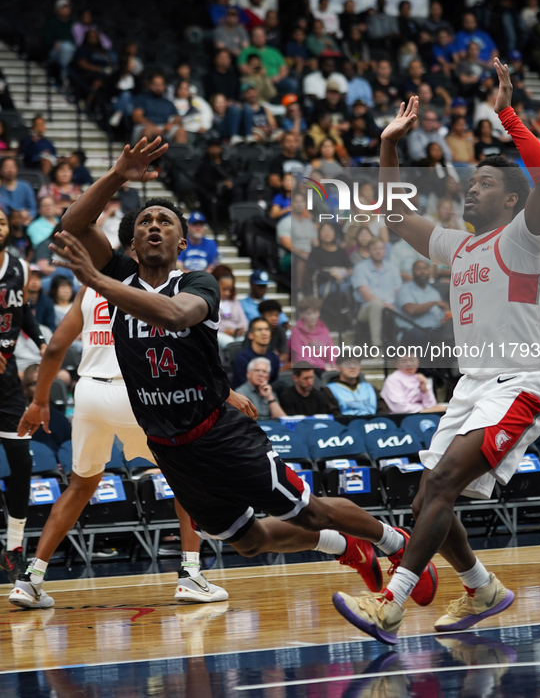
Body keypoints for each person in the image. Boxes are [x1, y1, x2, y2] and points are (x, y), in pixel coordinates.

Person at [36, 140, 437, 621]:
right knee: (249, 541)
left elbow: (173, 316)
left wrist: (101, 284)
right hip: (169, 446)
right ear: (130, 243)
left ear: (183, 242)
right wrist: (119, 174)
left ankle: (398, 544)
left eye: (166, 221)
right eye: (145, 222)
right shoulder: (122, 273)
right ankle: (347, 550)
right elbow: (73, 225)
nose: (154, 226)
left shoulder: (196, 283)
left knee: (308, 510)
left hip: (220, 435)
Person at [333, 59, 540, 644]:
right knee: (427, 496)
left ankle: (391, 603)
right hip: (473, 386)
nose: (471, 188)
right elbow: (392, 214)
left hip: (520, 382)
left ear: (512, 200)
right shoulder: (459, 246)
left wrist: (506, 114)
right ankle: (483, 588)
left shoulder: (524, 237)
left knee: (440, 487)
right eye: (471, 182)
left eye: (485, 183)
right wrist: (388, 148)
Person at [12, 281, 229, 609]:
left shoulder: (88, 289)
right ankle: (190, 574)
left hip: (87, 393)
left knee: (80, 487)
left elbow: (55, 347)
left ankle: (30, 580)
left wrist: (39, 400)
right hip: (132, 391)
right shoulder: (150, 287)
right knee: (187, 480)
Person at [0, 209, 47, 582]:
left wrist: (43, 341)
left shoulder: (18, 266)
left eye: (0, 221)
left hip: (7, 383)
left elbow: (23, 311)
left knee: (23, 463)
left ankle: (14, 546)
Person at [352, 238, 402, 349]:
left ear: (384, 251)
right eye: (374, 249)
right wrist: (387, 305)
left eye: (380, 249)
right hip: (366, 309)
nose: (378, 252)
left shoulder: (393, 268)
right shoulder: (360, 268)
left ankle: (400, 346)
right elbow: (367, 296)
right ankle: (377, 346)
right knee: (376, 304)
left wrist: (393, 306)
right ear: (369, 251)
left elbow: (397, 292)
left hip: (392, 307)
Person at [131, 73, 183, 145]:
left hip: (164, 128)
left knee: (180, 131)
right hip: (146, 126)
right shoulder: (141, 99)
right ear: (149, 85)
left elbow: (177, 118)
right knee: (147, 132)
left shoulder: (168, 103)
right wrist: (153, 127)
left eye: (161, 85)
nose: (158, 87)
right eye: (155, 84)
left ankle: (179, 155)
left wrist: (170, 125)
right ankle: (145, 155)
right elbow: (137, 117)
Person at [289, 297, 337, 370]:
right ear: (301, 315)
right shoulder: (296, 332)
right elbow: (301, 357)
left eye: (315, 313)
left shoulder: (324, 329)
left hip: (327, 368)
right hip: (308, 369)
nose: (313, 317)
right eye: (309, 313)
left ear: (319, 313)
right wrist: (323, 366)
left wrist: (332, 363)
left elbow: (332, 349)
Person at [212, 265, 248, 349]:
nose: (227, 293)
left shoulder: (234, 302)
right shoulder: (212, 302)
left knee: (245, 341)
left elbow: (243, 321)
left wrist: (240, 329)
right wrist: (224, 330)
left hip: (236, 333)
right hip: (220, 333)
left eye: (230, 290)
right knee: (230, 343)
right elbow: (211, 323)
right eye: (224, 289)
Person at [0, 157, 37, 222]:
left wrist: (29, 218)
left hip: (22, 221)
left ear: (17, 169)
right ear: (1, 170)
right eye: (6, 167)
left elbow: (33, 208)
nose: (10, 170)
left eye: (12, 167)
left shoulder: (25, 186)